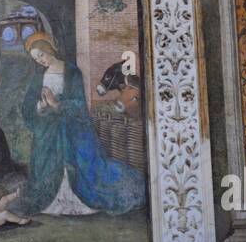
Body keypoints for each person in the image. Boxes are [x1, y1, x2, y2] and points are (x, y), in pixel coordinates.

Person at [11, 33, 145, 216]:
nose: (40, 60)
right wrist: (41, 105)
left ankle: (77, 198)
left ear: (49, 49)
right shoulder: (38, 76)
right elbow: (28, 106)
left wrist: (57, 104)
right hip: (48, 130)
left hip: (73, 128)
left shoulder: (72, 72)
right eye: (35, 58)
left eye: (41, 55)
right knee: (45, 162)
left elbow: (79, 104)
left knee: (84, 163)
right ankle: (53, 200)